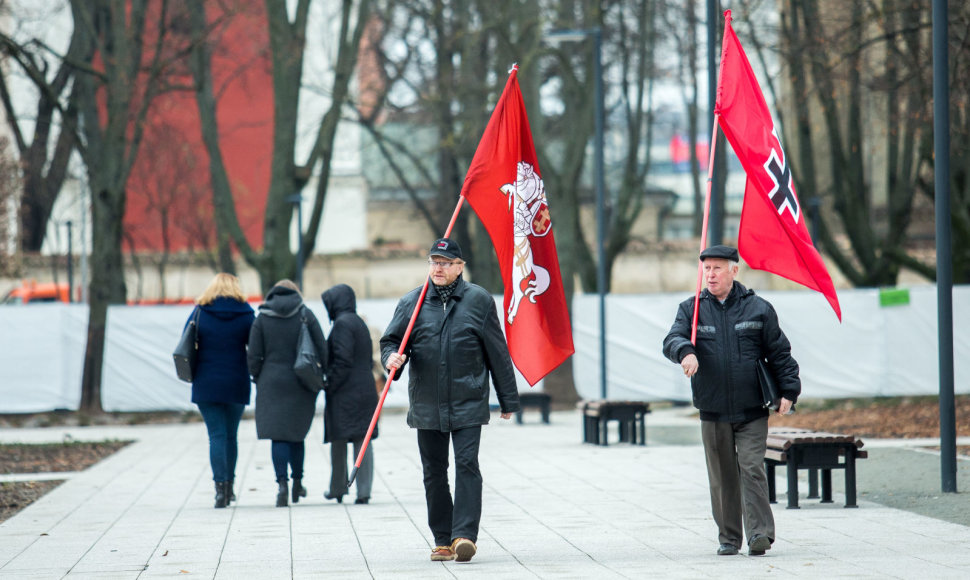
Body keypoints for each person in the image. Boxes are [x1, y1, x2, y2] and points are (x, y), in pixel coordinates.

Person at [381, 237, 520, 563]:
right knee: (433, 471)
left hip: (468, 398)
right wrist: (391, 359)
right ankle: (442, 540)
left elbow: (497, 352)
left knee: (467, 465)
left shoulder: (479, 300)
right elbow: (391, 341)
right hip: (427, 402)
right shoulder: (411, 302)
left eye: (445, 262)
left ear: (460, 267)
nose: (438, 268)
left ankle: (464, 536)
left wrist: (507, 399)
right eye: (434, 261)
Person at [662, 245, 801, 557]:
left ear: (734, 271)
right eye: (706, 269)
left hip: (751, 409)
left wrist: (789, 391)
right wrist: (685, 351)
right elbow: (672, 339)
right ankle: (729, 537)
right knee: (723, 476)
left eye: (717, 268)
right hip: (712, 409)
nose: (710, 275)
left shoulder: (759, 308)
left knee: (751, 468)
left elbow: (780, 353)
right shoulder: (692, 308)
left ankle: (759, 534)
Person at [248, 279, 327, 507]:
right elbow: (321, 347)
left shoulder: (262, 317)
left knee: (278, 436)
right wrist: (323, 374)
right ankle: (297, 483)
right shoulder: (305, 314)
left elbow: (253, 354)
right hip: (301, 381)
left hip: (270, 382)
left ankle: (281, 485)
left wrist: (257, 377)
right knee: (296, 435)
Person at [186, 273, 255, 508]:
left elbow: (186, 340)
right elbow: (255, 347)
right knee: (231, 436)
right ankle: (230, 487)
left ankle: (219, 489)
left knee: (215, 435)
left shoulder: (200, 312)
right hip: (236, 380)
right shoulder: (246, 314)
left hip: (206, 382)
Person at [320, 283, 379, 505]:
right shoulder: (357, 322)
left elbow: (343, 359)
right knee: (362, 441)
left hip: (345, 391)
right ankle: (363, 491)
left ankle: (338, 488)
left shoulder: (342, 324)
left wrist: (330, 383)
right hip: (364, 388)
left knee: (339, 439)